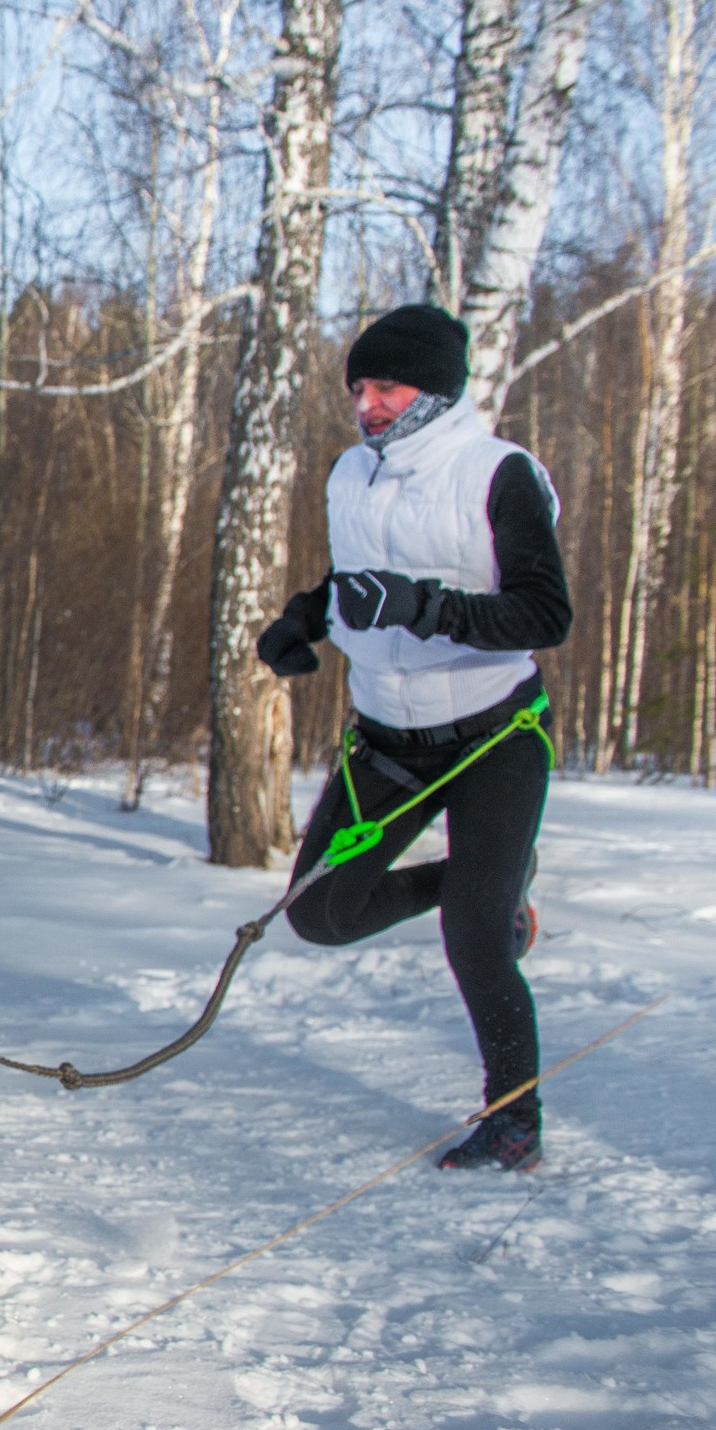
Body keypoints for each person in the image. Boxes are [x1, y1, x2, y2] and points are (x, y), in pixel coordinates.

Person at [255, 303, 573, 1172]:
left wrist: (426, 607)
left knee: (475, 939)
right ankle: (491, 884)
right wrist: (304, 619)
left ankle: (515, 1120)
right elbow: (354, 577)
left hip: (494, 733)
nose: (370, 403)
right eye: (360, 386)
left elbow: (547, 614)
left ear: (434, 387)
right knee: (318, 913)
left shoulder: (498, 474)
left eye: (388, 386)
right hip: (389, 738)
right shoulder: (349, 475)